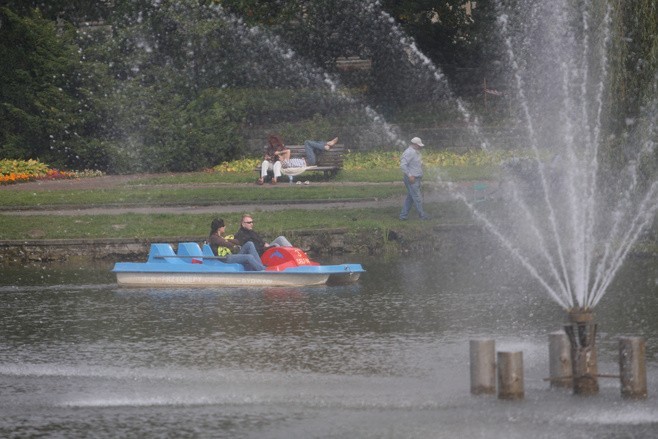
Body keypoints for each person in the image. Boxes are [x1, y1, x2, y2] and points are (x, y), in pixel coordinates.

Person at [399, 137, 430, 221]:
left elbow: (415, 163)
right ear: (415, 145)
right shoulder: (409, 152)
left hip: (416, 178)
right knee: (417, 198)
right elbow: (403, 165)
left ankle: (403, 216)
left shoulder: (416, 152)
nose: (420, 147)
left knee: (411, 198)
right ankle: (422, 216)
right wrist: (410, 175)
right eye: (419, 145)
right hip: (412, 179)